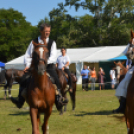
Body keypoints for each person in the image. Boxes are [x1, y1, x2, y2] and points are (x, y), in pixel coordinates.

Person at [11, 23, 68, 109]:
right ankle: (20, 101)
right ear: (41, 31)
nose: (47, 33)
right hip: (35, 67)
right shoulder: (33, 42)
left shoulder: (52, 43)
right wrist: (27, 65)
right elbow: (27, 55)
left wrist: (43, 62)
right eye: (45, 31)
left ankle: (58, 100)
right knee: (23, 79)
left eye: (49, 31)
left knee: (57, 79)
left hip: (48, 67)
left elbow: (53, 57)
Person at [113, 41, 134, 114]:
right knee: (124, 81)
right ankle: (122, 106)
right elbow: (126, 53)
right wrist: (130, 44)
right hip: (133, 68)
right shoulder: (131, 44)